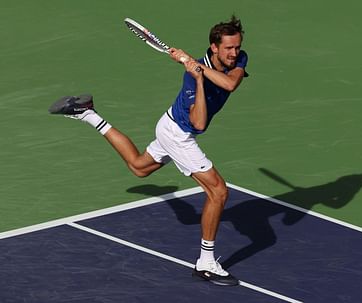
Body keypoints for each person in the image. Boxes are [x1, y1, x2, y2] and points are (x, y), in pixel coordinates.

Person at [48, 15, 248, 286]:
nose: (234, 53)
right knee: (218, 191)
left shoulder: (237, 60)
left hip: (168, 126)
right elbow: (199, 122)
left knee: (138, 167)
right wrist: (198, 79)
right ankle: (206, 262)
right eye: (228, 48)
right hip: (178, 133)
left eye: (236, 47)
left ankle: (87, 114)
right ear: (214, 47)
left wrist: (198, 68)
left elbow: (230, 84)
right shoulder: (192, 79)